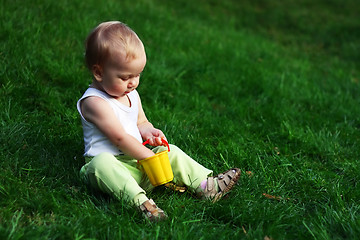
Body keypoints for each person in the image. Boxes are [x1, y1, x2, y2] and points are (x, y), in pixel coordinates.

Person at [77, 21, 241, 222]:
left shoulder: (131, 94)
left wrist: (149, 131)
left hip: (136, 163)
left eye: (137, 75)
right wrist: (147, 156)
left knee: (168, 150)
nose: (133, 82)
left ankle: (207, 187)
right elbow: (119, 138)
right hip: (110, 173)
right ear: (99, 72)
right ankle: (142, 204)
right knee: (102, 163)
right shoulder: (94, 102)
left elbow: (141, 122)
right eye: (125, 76)